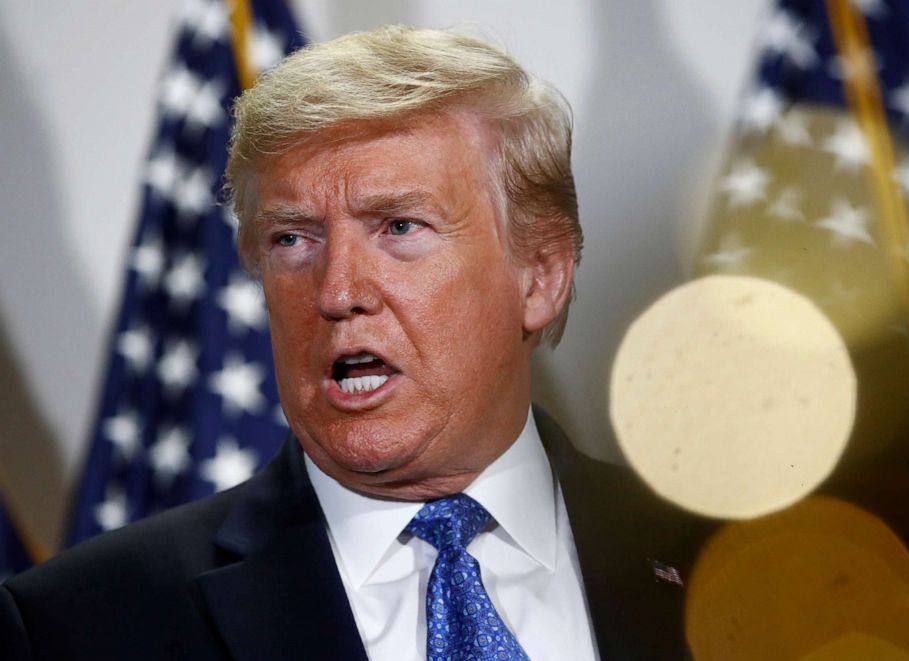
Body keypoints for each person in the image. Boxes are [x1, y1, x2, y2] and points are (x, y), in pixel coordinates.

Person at [0, 25, 708, 660]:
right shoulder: (78, 627)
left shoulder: (736, 560)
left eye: (399, 226)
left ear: (541, 277)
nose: (337, 291)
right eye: (292, 240)